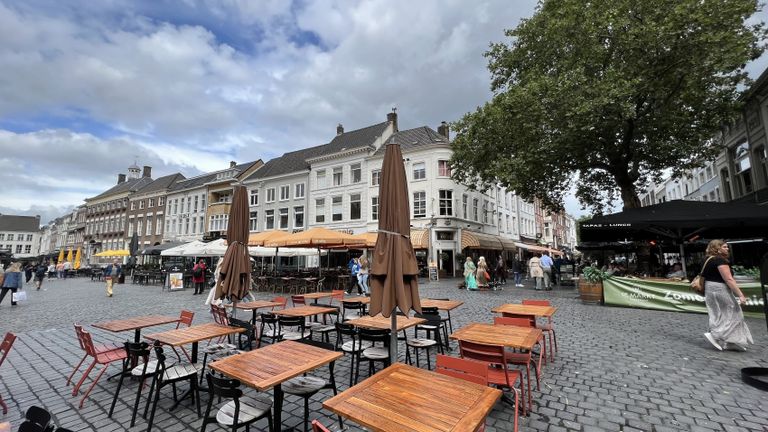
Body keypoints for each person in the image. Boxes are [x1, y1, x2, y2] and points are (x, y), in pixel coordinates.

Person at [701, 240, 753, 352]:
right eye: (724, 247)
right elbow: (728, 279)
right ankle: (716, 335)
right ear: (717, 248)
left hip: (709, 288)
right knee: (734, 313)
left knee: (717, 314)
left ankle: (729, 341)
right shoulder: (720, 260)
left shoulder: (707, 259)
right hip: (720, 289)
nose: (727, 248)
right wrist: (741, 295)